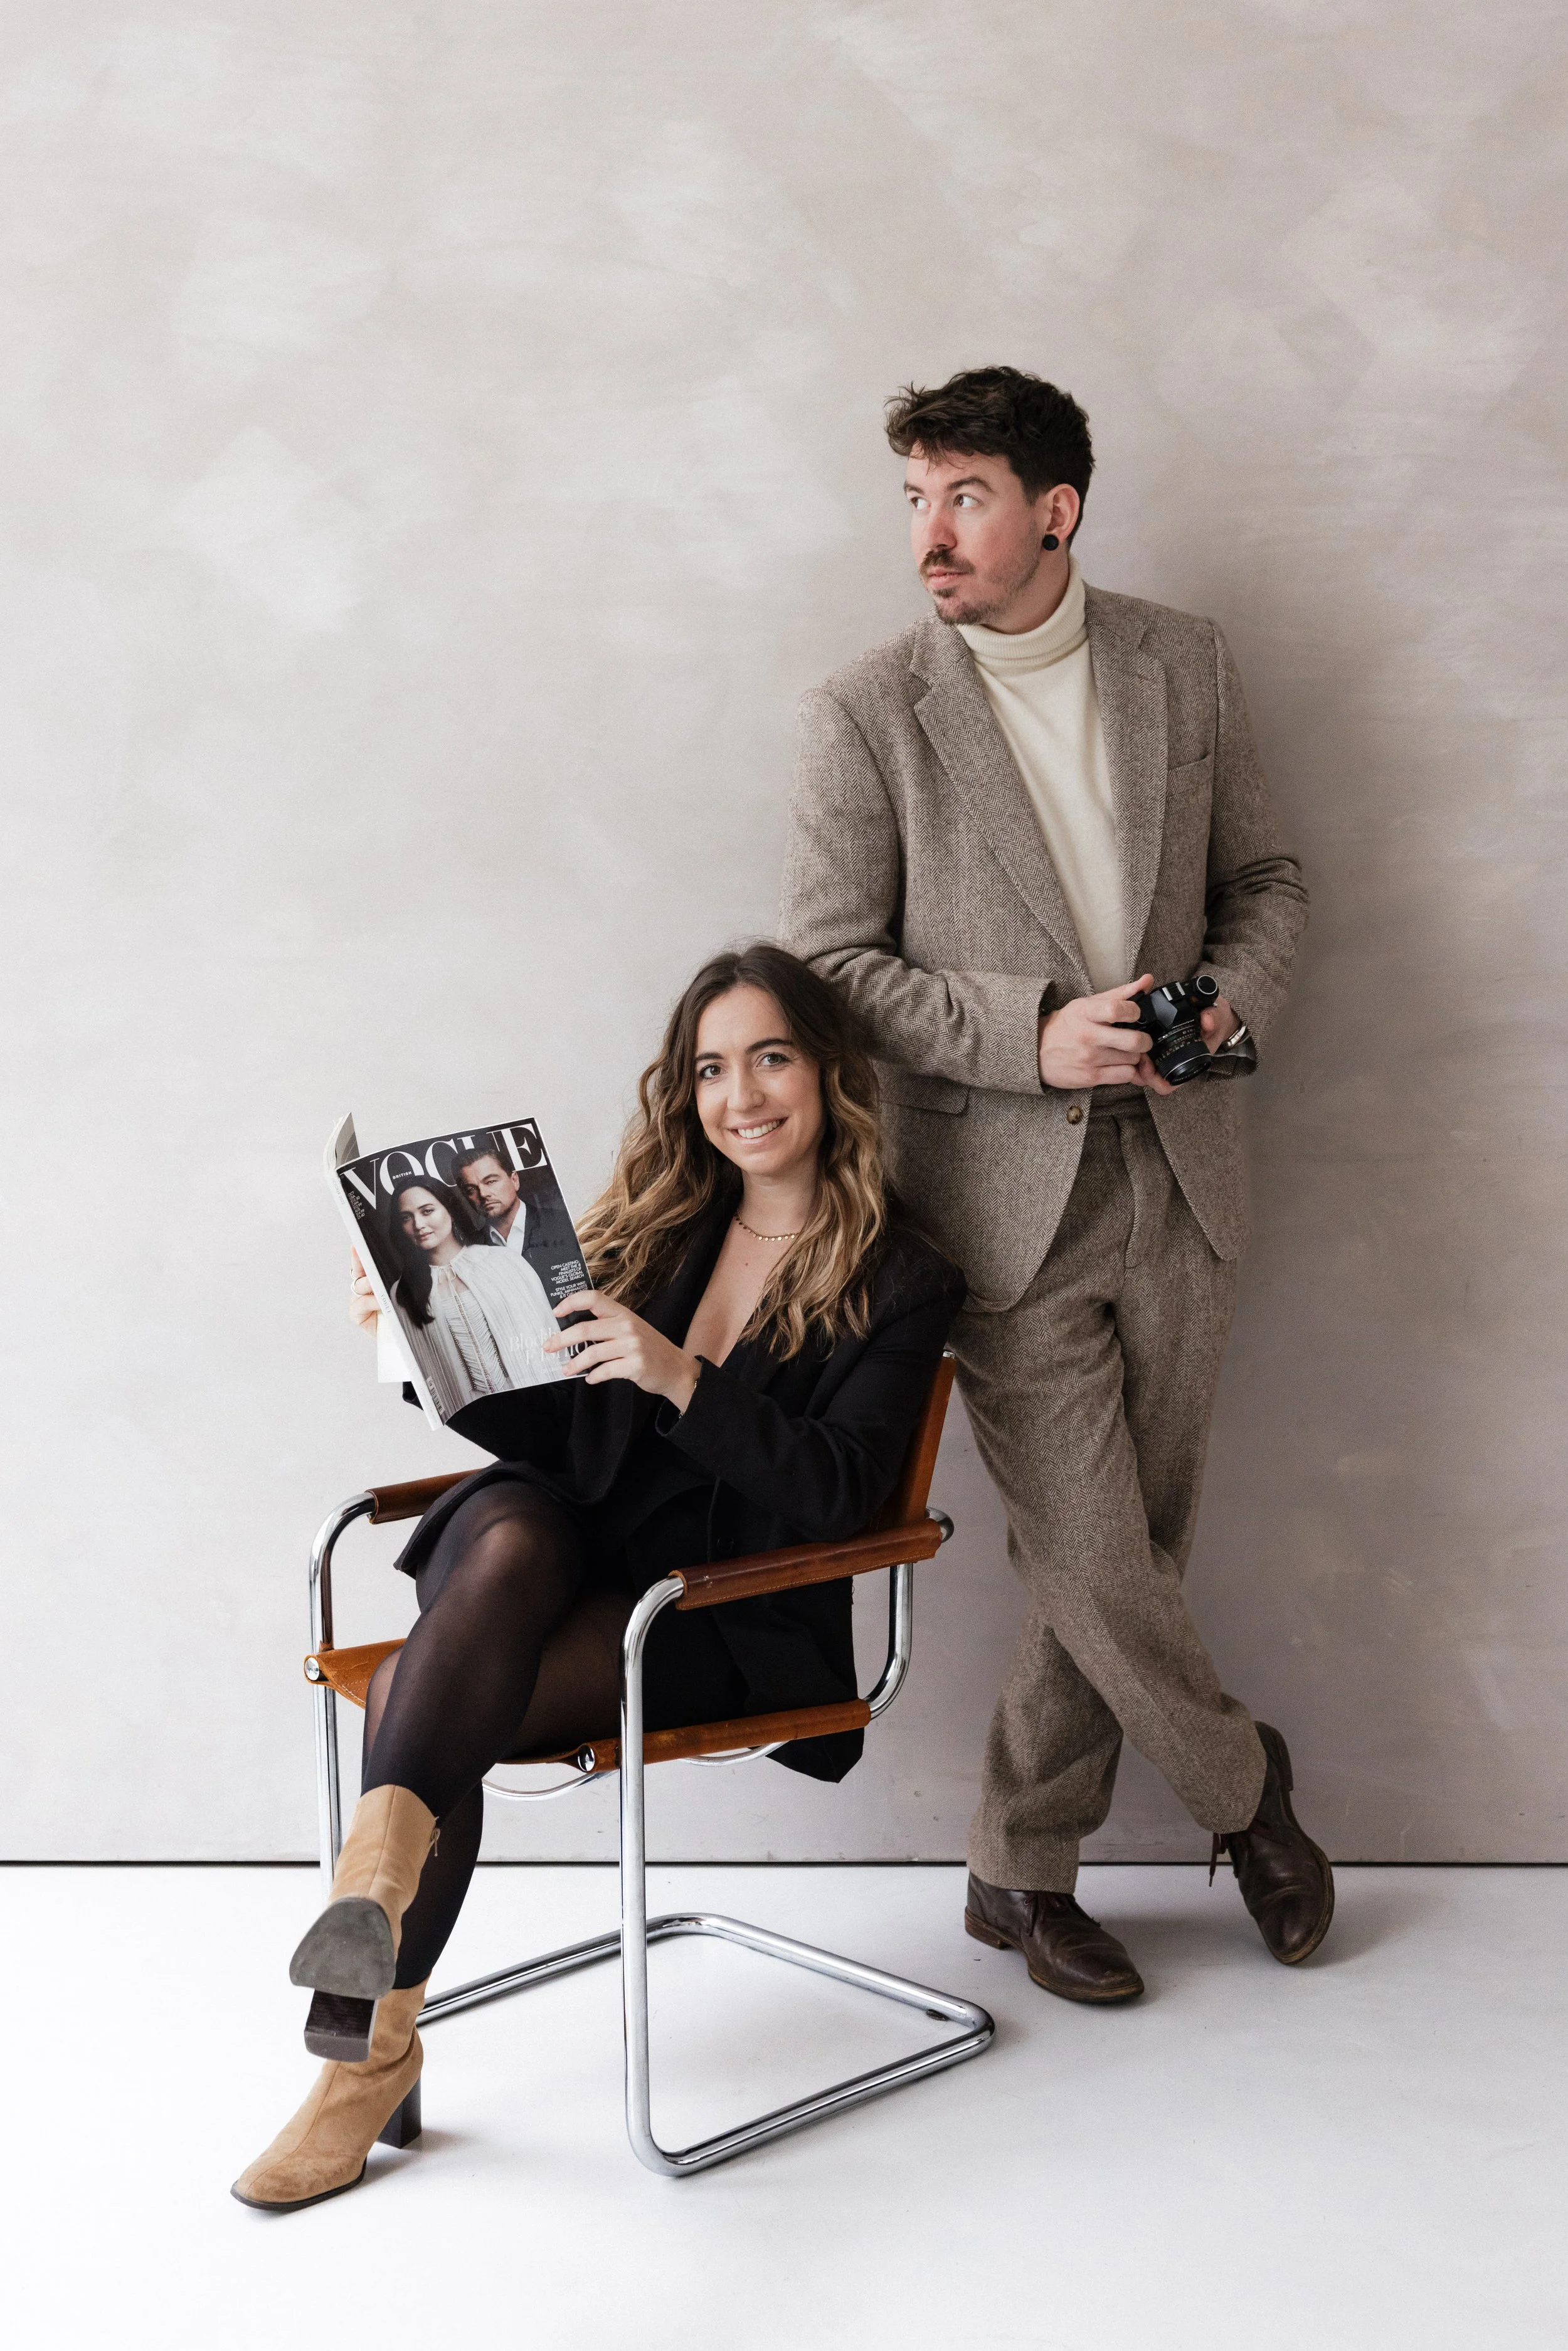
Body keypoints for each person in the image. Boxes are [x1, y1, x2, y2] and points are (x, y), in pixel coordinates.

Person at [233, 943, 964, 2212]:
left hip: (700, 1609)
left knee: (432, 1684)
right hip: (552, 1549)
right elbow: (562, 1442)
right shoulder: (655, 1225)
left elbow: (844, 1486)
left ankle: (366, 2021)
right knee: (514, 1531)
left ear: (828, 1072)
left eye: (770, 1057)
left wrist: (682, 1374)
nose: (740, 1094)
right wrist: (417, 1348)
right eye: (710, 1068)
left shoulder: (899, 1276)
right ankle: (371, 1928)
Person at [781, 365, 1332, 2005]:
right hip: (996, 1198)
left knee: (1131, 1551)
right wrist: (1033, 1035)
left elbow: (1268, 883)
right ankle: (1248, 1797)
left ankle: (1016, 1873)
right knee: (1085, 1551)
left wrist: (1230, 1002)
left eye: (958, 495)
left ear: (1053, 510)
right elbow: (828, 967)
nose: (927, 534)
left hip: (1186, 1168)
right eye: (911, 499)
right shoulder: (868, 712)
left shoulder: (1184, 661)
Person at [382, 1172, 562, 1414]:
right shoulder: (402, 1291)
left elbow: (550, 1336)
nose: (418, 1225)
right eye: (407, 1217)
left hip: (541, 1404)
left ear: (449, 1210)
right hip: (476, 1420)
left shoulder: (503, 1260)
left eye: (427, 1211)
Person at [454, 1141, 529, 1251]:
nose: (483, 1194)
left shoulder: (560, 1221)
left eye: (491, 1182)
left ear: (515, 1180)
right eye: (471, 1189)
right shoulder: (469, 1248)